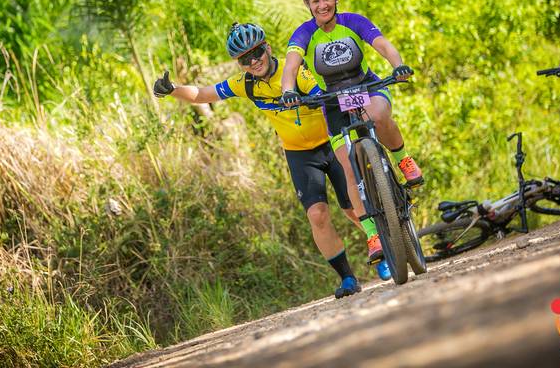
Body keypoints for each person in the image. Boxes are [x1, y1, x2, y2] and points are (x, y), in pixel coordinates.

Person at [153, 22, 390, 298]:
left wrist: (309, 99)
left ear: (267, 48)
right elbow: (203, 94)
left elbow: (322, 93)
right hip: (299, 154)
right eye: (245, 59)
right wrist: (172, 89)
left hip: (331, 142)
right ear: (239, 64)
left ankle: (387, 246)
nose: (253, 61)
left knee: (351, 207)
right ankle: (347, 277)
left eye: (257, 53)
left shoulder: (294, 69)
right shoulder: (245, 84)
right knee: (317, 215)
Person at [280, 0, 423, 266]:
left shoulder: (353, 21)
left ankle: (403, 160)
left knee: (379, 115)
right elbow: (291, 65)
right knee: (346, 165)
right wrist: (288, 90)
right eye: (315, 1)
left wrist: (398, 65)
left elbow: (382, 45)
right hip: (333, 99)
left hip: (366, 86)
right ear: (308, 5)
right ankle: (372, 233)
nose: (322, 5)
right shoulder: (304, 33)